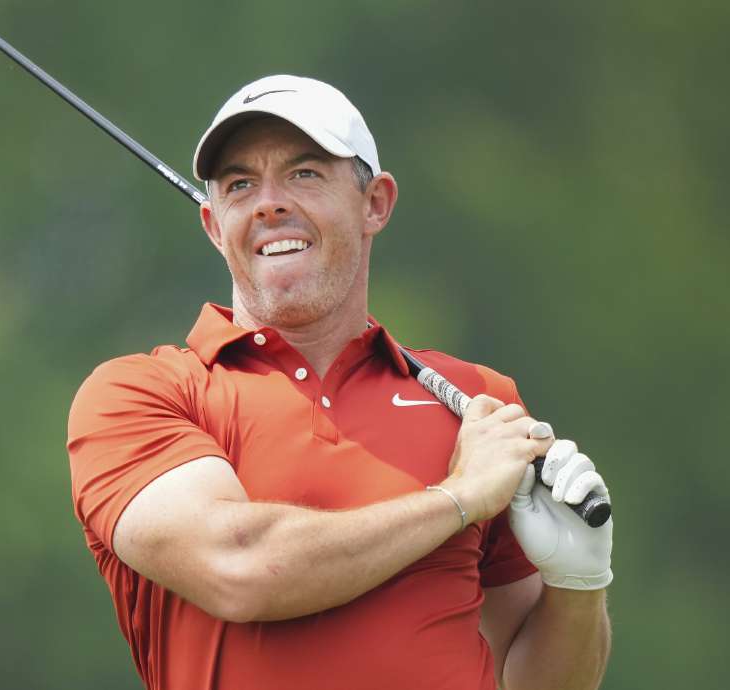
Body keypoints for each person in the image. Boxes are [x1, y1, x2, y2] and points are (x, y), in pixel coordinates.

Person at [66, 75, 613, 690]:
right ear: (215, 226)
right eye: (240, 184)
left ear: (375, 203)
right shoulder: (142, 394)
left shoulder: (478, 405)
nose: (269, 203)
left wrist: (579, 587)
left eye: (304, 174)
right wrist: (455, 500)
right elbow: (238, 566)